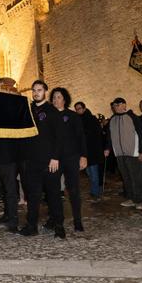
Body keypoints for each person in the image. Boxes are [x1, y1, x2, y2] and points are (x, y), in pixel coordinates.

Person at [19, 80, 64, 239]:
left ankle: (59, 226)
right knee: (33, 196)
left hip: (50, 162)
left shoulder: (52, 111)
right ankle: (32, 226)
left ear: (45, 91)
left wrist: (55, 157)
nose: (36, 93)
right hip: (32, 162)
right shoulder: (29, 110)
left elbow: (59, 137)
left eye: (39, 90)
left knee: (53, 195)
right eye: (34, 90)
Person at [51, 88, 87, 232]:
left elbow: (81, 136)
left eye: (58, 97)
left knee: (73, 190)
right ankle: (55, 220)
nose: (55, 100)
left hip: (71, 157)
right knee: (53, 191)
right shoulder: (49, 116)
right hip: (54, 159)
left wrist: (83, 156)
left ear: (64, 99)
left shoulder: (72, 116)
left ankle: (78, 221)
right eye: (53, 97)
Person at [106, 98, 142, 210]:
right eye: (114, 105)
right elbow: (110, 136)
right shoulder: (112, 119)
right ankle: (130, 198)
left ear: (123, 105)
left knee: (136, 177)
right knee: (126, 177)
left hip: (133, 153)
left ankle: (138, 200)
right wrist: (108, 148)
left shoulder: (133, 117)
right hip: (119, 154)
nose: (114, 107)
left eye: (117, 105)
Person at [74, 102, 105, 199]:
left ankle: (95, 192)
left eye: (79, 108)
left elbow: (96, 134)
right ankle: (95, 189)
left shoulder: (91, 119)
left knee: (94, 172)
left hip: (93, 150)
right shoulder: (78, 120)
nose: (78, 110)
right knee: (89, 172)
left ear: (84, 108)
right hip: (85, 152)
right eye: (76, 109)